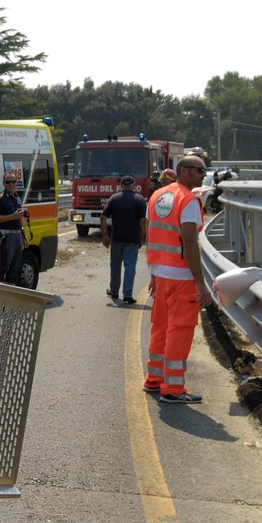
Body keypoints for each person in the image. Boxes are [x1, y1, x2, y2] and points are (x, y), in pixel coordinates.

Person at [143, 156, 214, 404]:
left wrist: (152, 273)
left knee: (160, 327)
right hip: (181, 277)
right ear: (184, 172)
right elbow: (189, 241)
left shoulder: (157, 196)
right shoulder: (188, 200)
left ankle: (154, 379)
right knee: (179, 330)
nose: (203, 174)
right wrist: (200, 283)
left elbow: (150, 233)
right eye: (199, 170)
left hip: (160, 274)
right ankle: (172, 388)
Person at [100, 174, 147, 304]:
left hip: (116, 238)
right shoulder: (139, 200)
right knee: (130, 266)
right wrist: (142, 237)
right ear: (133, 186)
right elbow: (143, 221)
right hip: (132, 239)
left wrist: (105, 235)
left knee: (115, 266)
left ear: (121, 186)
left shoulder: (114, 198)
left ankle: (114, 291)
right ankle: (127, 294)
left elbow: (103, 216)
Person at [0, 172, 28, 285]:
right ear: (3, 183)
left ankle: (11, 293)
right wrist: (12, 216)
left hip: (17, 236)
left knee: (15, 268)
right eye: (8, 182)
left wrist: (24, 235)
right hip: (6, 236)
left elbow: (19, 219)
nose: (11, 184)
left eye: (13, 181)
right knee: (4, 267)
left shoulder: (17, 198)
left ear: (17, 182)